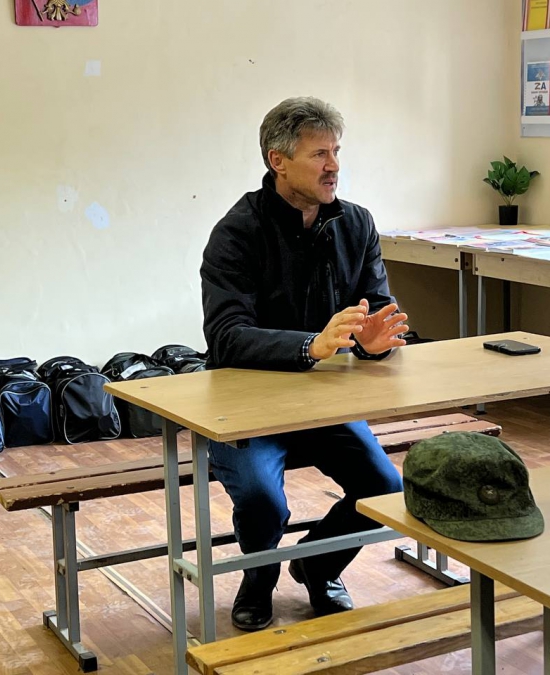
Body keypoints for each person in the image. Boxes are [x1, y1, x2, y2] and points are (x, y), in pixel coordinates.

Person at [200, 96, 408, 631]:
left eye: (336, 151)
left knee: (386, 488)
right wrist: (310, 345)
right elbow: (226, 337)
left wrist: (375, 343)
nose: (333, 165)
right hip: (244, 407)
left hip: (324, 402)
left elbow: (376, 314)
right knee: (263, 501)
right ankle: (258, 579)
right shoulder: (236, 232)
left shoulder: (356, 223)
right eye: (319, 154)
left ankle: (318, 566)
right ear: (279, 161)